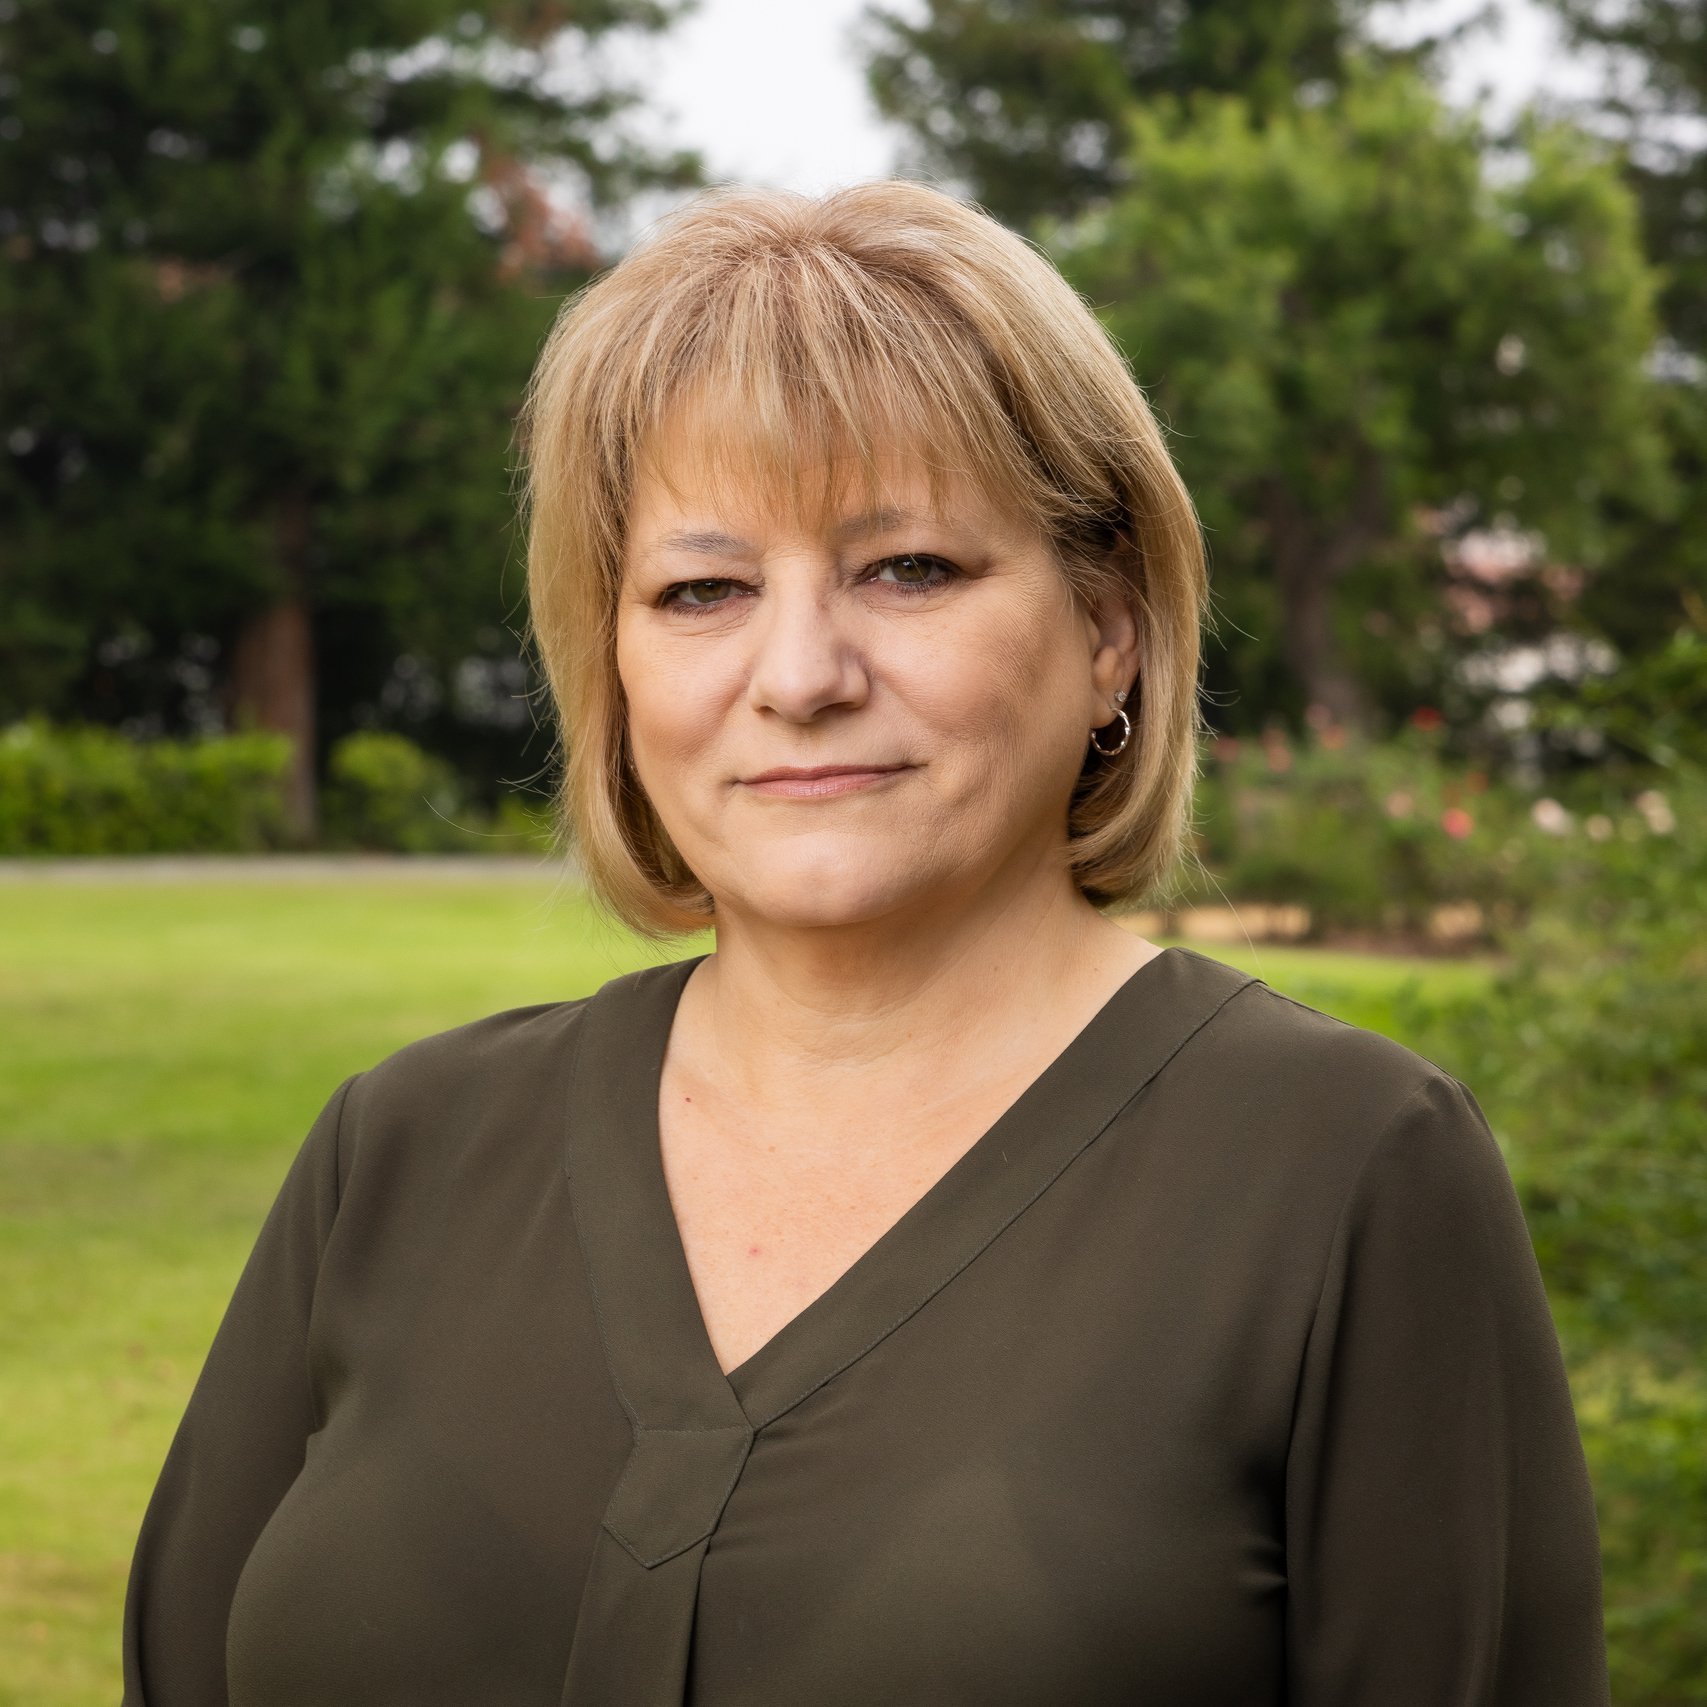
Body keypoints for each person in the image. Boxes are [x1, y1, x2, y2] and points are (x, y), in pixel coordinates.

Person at [122, 181, 1608, 1706]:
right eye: (702, 589)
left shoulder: (1344, 1169)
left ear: (1111, 626)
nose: (800, 674)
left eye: (908, 570)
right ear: (614, 664)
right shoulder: (402, 1153)